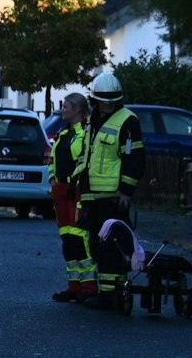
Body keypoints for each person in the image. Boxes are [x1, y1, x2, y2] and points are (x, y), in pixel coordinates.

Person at [73, 71, 143, 310]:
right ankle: (106, 292)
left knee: (112, 244)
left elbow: (134, 159)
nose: (109, 103)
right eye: (104, 99)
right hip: (93, 195)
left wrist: (126, 191)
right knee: (96, 244)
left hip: (114, 197)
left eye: (113, 99)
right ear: (95, 99)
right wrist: (83, 197)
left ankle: (112, 296)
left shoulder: (128, 120)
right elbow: (87, 158)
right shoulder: (94, 120)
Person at [48, 92, 95, 303]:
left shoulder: (85, 132)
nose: (62, 110)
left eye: (66, 106)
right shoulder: (63, 132)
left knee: (79, 239)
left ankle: (89, 286)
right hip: (61, 188)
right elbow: (53, 159)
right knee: (67, 240)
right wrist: (52, 179)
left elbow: (86, 161)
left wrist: (76, 183)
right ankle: (73, 285)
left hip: (76, 190)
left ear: (76, 109)